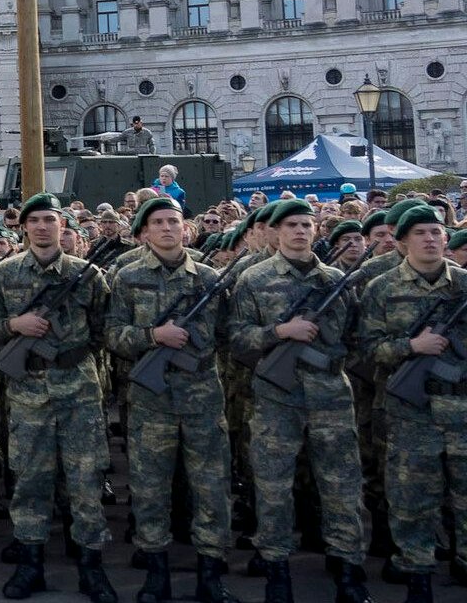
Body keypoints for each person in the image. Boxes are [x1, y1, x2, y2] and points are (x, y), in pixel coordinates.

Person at [228, 198, 371, 603]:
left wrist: (330, 355)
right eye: (291, 225)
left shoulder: (336, 280)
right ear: (275, 231)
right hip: (277, 399)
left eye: (307, 225)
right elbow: (236, 340)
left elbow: (358, 340)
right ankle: (276, 571)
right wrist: (280, 332)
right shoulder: (253, 280)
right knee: (273, 487)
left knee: (342, 486)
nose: (299, 231)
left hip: (330, 397)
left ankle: (348, 571)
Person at [104, 196, 237, 603]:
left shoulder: (210, 279)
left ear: (186, 228)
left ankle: (211, 575)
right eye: (158, 222)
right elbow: (111, 335)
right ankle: (155, 572)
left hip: (202, 399)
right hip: (150, 402)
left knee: (211, 489)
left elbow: (229, 334)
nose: (167, 228)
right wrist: (152, 338)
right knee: (149, 489)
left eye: (173, 221)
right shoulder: (126, 277)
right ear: (143, 232)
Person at [0, 194, 116, 602]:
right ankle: (30, 565)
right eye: (34, 220)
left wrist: (69, 353)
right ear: (23, 227)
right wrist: (14, 323)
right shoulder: (5, 274)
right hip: (28, 391)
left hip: (77, 386)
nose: (42, 227)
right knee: (30, 480)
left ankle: (91, 568)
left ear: (63, 226)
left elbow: (103, 329)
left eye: (50, 220)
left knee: (86, 479)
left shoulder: (87, 275)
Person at [357, 203, 464, 602]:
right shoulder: (381, 289)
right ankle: (417, 573)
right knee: (411, 500)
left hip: (462, 411)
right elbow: (364, 350)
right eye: (420, 233)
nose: (431, 239)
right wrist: (411, 346)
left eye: (436, 232)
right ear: (402, 243)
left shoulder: (465, 285)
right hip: (410, 414)